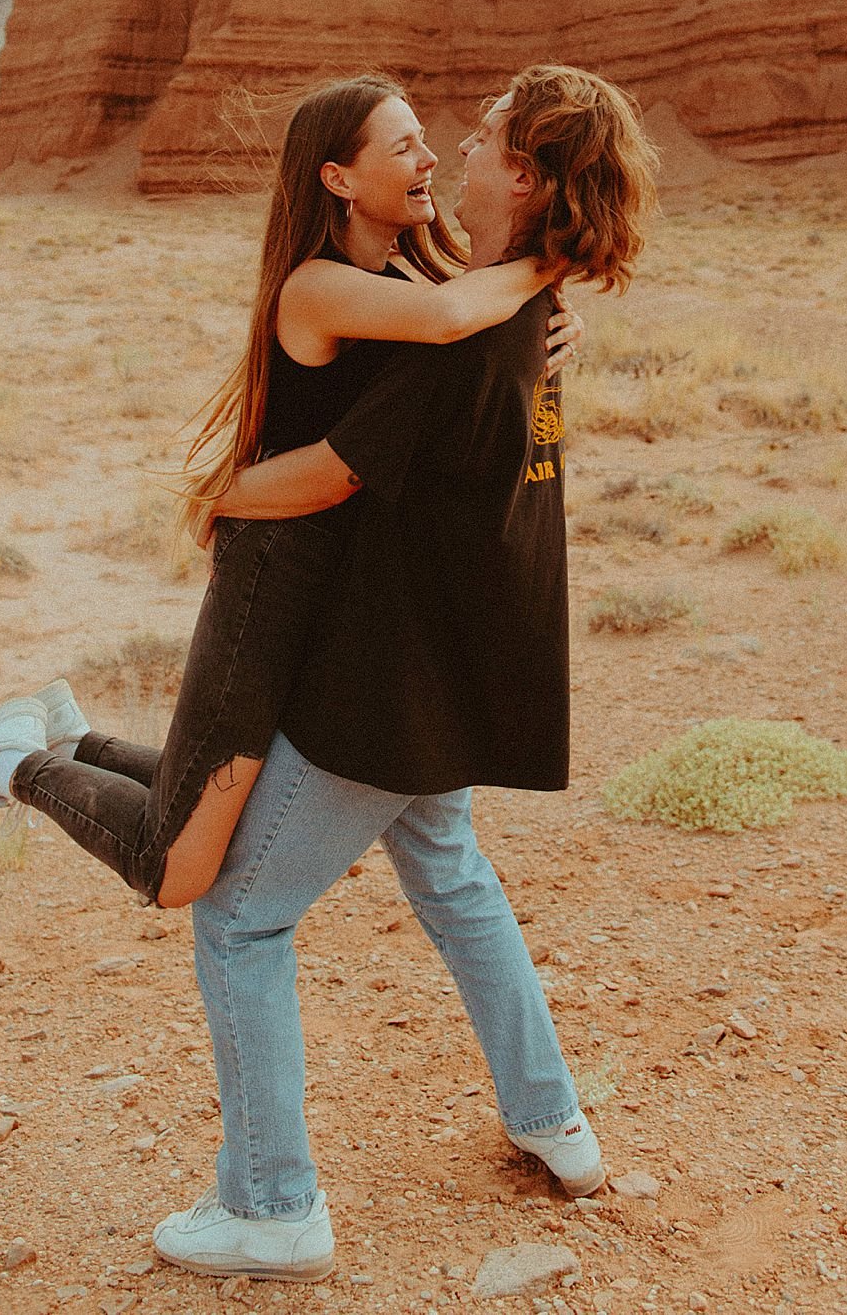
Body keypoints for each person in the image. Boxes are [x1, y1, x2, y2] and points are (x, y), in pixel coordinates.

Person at [147, 64, 656, 1282]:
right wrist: (556, 272)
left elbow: (325, 474)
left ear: (523, 179)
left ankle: (273, 1206)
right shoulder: (505, 312)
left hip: (395, 682)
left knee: (240, 914)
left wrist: (206, 497)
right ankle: (555, 1124)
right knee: (452, 875)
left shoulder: (468, 323)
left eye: (474, 140)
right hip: (474, 661)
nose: (452, 158)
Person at [0, 74, 579, 901]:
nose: (431, 155)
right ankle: (13, 762)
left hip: (345, 588)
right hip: (277, 573)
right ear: (337, 177)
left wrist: (556, 313)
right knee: (176, 867)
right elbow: (448, 329)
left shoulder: (407, 280)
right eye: (403, 145)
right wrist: (555, 260)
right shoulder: (317, 285)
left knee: (236, 790)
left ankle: (73, 738)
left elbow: (459, 330)